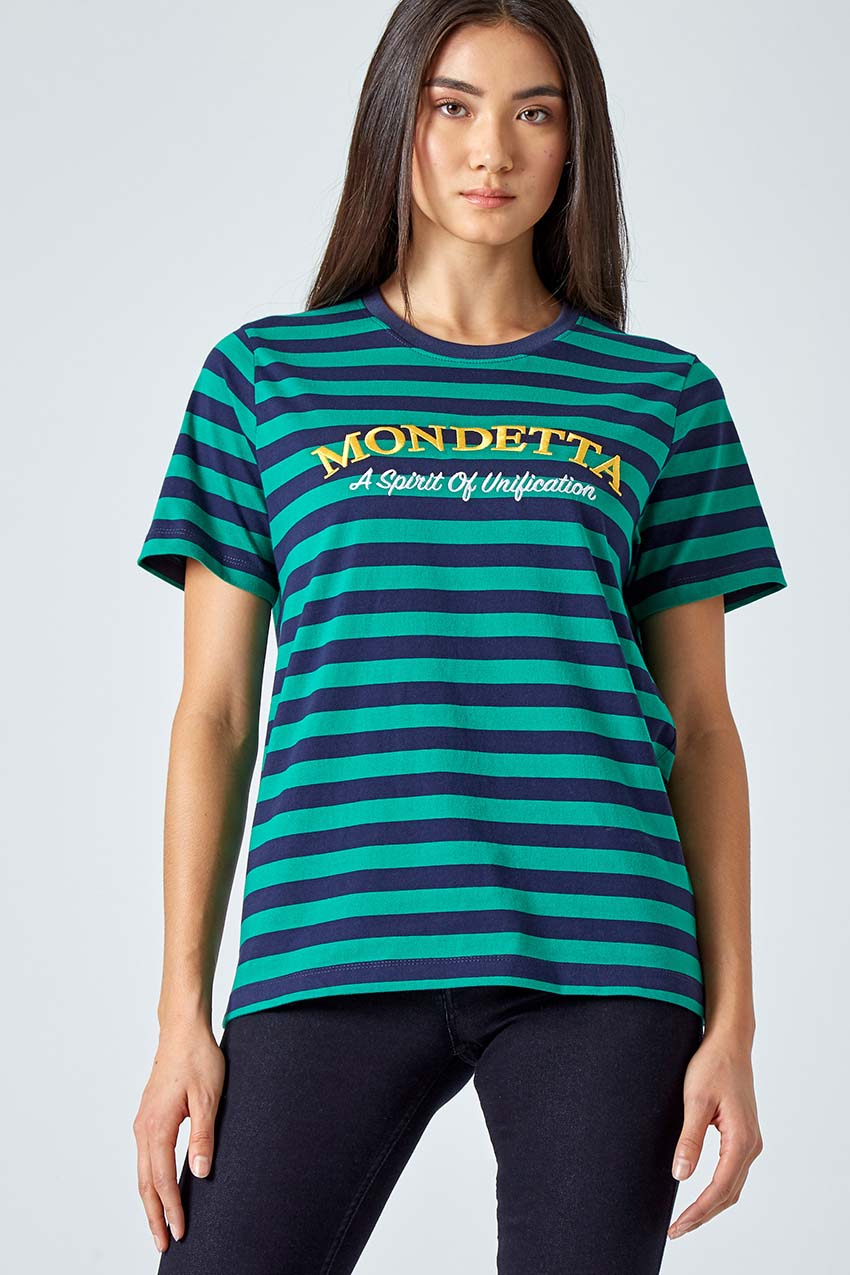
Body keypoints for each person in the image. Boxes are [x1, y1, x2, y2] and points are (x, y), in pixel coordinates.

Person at [132, 2, 787, 1271]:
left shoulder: (660, 396)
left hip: (605, 955)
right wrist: (179, 1020)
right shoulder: (265, 379)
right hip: (330, 937)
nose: (494, 149)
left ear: (576, 142)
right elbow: (214, 714)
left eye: (535, 111)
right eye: (453, 107)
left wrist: (733, 1024)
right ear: (398, 123)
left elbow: (703, 729)